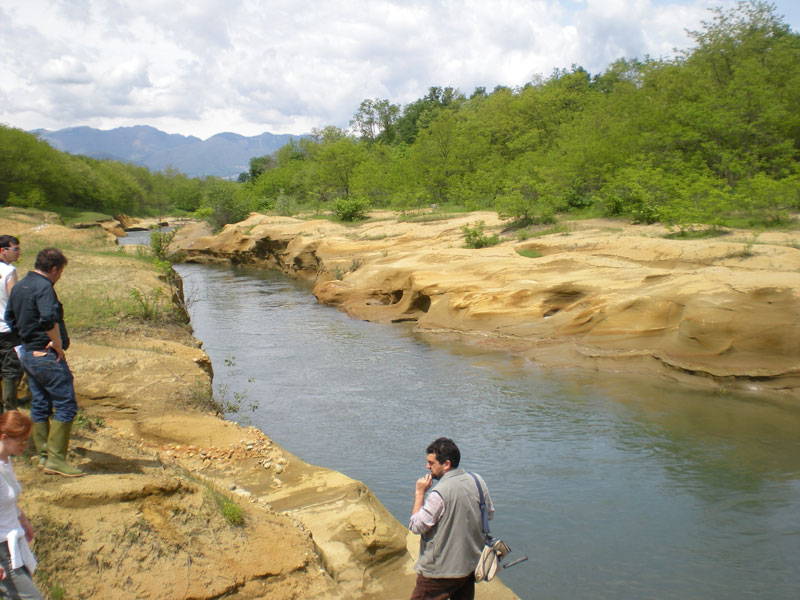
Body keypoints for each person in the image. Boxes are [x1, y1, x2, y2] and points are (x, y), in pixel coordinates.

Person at [5, 248, 83, 477]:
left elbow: (10, 317)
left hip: (28, 354)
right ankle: (56, 460)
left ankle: (43, 455)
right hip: (46, 356)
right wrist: (56, 344)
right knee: (66, 404)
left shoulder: (20, 286)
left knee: (39, 402)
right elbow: (49, 318)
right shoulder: (44, 288)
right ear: (54, 269)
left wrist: (26, 340)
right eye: (60, 273)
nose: (59, 277)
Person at [408, 437, 493, 600]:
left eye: (431, 463)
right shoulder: (478, 481)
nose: (427, 467)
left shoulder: (438, 493)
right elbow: (488, 514)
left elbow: (416, 526)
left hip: (438, 572)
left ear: (446, 464)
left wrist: (419, 493)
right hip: (469, 567)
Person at [0, 411, 43, 599]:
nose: (26, 446)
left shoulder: (5, 461)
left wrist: (23, 520)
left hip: (13, 542)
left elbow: (7, 497)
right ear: (4, 437)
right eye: (21, 441)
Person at [0, 236, 22, 412]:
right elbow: (14, 302)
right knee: (10, 370)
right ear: (3, 250)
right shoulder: (9, 271)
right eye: (15, 249)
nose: (18, 253)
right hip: (7, 328)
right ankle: (10, 411)